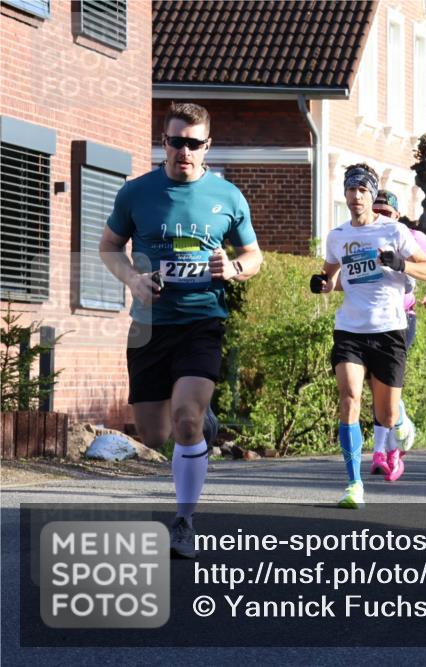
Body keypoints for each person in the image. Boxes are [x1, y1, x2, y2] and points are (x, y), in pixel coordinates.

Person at [99, 102, 263, 558]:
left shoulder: (227, 196)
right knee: (153, 434)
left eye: (193, 143)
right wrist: (133, 279)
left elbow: (253, 255)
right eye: (175, 142)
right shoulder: (136, 193)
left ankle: (184, 520)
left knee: (186, 419)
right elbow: (109, 246)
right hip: (149, 326)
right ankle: (200, 423)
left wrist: (234, 268)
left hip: (201, 321)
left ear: (207, 146)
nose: (183, 151)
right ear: (164, 143)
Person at [314, 164, 426, 508]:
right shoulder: (337, 236)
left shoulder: (394, 231)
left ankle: (401, 424)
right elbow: (330, 277)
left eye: (363, 190)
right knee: (349, 398)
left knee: (387, 414)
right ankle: (354, 484)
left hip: (389, 330)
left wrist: (400, 263)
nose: (356, 196)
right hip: (350, 330)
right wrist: (321, 283)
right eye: (351, 189)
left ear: (372, 194)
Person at [368, 189, 426, 478]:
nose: (381, 216)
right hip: (369, 320)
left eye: (387, 212)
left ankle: (387, 447)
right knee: (375, 384)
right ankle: (395, 435)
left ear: (397, 215)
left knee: (384, 380)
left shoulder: (410, 236)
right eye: (377, 211)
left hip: (403, 317)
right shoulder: (362, 235)